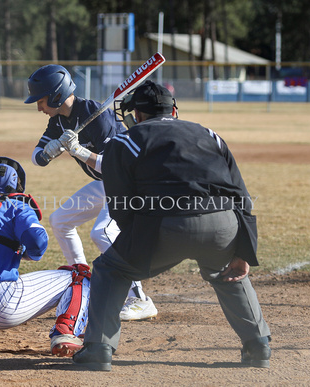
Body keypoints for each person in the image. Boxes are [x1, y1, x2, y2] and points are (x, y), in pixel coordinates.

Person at [73, 80, 271, 371]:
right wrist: (243, 251)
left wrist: (136, 246)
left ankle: (98, 349)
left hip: (162, 225)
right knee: (226, 271)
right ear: (174, 110)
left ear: (136, 115)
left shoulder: (124, 141)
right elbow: (242, 197)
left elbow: (121, 207)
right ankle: (258, 346)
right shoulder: (209, 134)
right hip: (223, 224)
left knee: (111, 269)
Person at [24, 64, 158, 321]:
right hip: (106, 185)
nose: (39, 107)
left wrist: (79, 151)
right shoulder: (59, 120)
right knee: (60, 220)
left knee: (102, 232)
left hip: (128, 183)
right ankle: (83, 282)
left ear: (55, 95)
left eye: (40, 100)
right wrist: (48, 151)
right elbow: (35, 158)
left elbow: (113, 166)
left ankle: (140, 299)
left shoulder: (98, 115)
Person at [0, 156, 91, 357]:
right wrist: (22, 250)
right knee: (78, 275)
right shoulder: (16, 206)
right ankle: (65, 333)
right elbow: (38, 244)